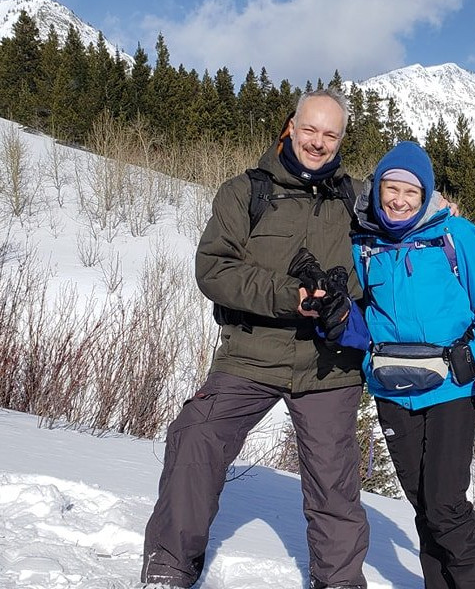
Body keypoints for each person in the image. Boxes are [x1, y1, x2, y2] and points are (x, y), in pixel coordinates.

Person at [141, 89, 370, 589]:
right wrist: (290, 295)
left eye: (330, 134)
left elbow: (405, 214)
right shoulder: (244, 192)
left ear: (341, 140)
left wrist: (437, 204)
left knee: (334, 483)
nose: (318, 142)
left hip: (328, 364)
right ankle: (169, 567)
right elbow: (213, 271)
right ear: (291, 126)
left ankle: (340, 583)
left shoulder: (358, 199)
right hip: (249, 355)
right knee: (195, 436)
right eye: (310, 129)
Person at [346, 140, 475, 588]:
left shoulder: (456, 236)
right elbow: (355, 312)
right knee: (426, 507)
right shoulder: (362, 243)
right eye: (391, 188)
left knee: (445, 506)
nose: (399, 200)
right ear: (378, 188)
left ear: (425, 194)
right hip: (391, 391)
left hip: (453, 388)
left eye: (410, 191)